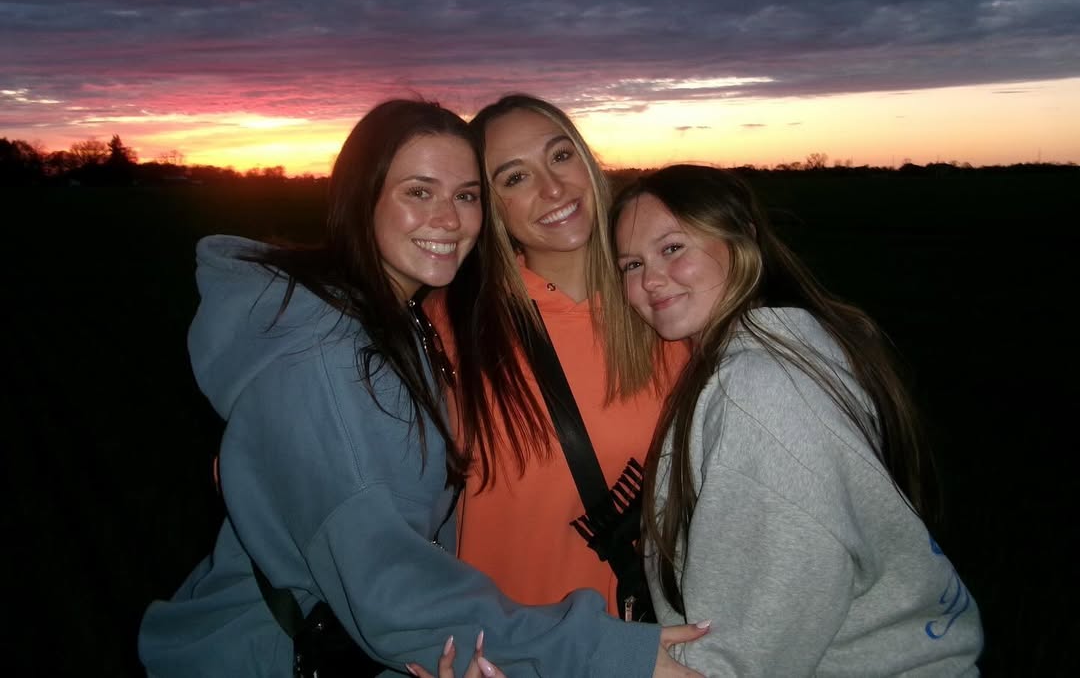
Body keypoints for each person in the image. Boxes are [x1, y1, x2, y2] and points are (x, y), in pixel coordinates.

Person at [137, 100, 703, 678]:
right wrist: (587, 650)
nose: (448, 219)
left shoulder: (410, 329)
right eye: (419, 191)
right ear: (362, 198)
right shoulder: (352, 349)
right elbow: (386, 579)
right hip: (312, 653)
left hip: (490, 639)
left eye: (464, 195)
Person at [609, 164, 984, 676]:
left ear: (743, 238)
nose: (651, 279)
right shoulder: (792, 343)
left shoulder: (759, 389)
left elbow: (753, 644)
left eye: (672, 248)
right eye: (632, 264)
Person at [438, 95, 685, 626]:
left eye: (560, 155)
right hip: (511, 645)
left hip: (652, 643)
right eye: (515, 178)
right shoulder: (454, 325)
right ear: (489, 206)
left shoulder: (667, 303)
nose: (553, 189)